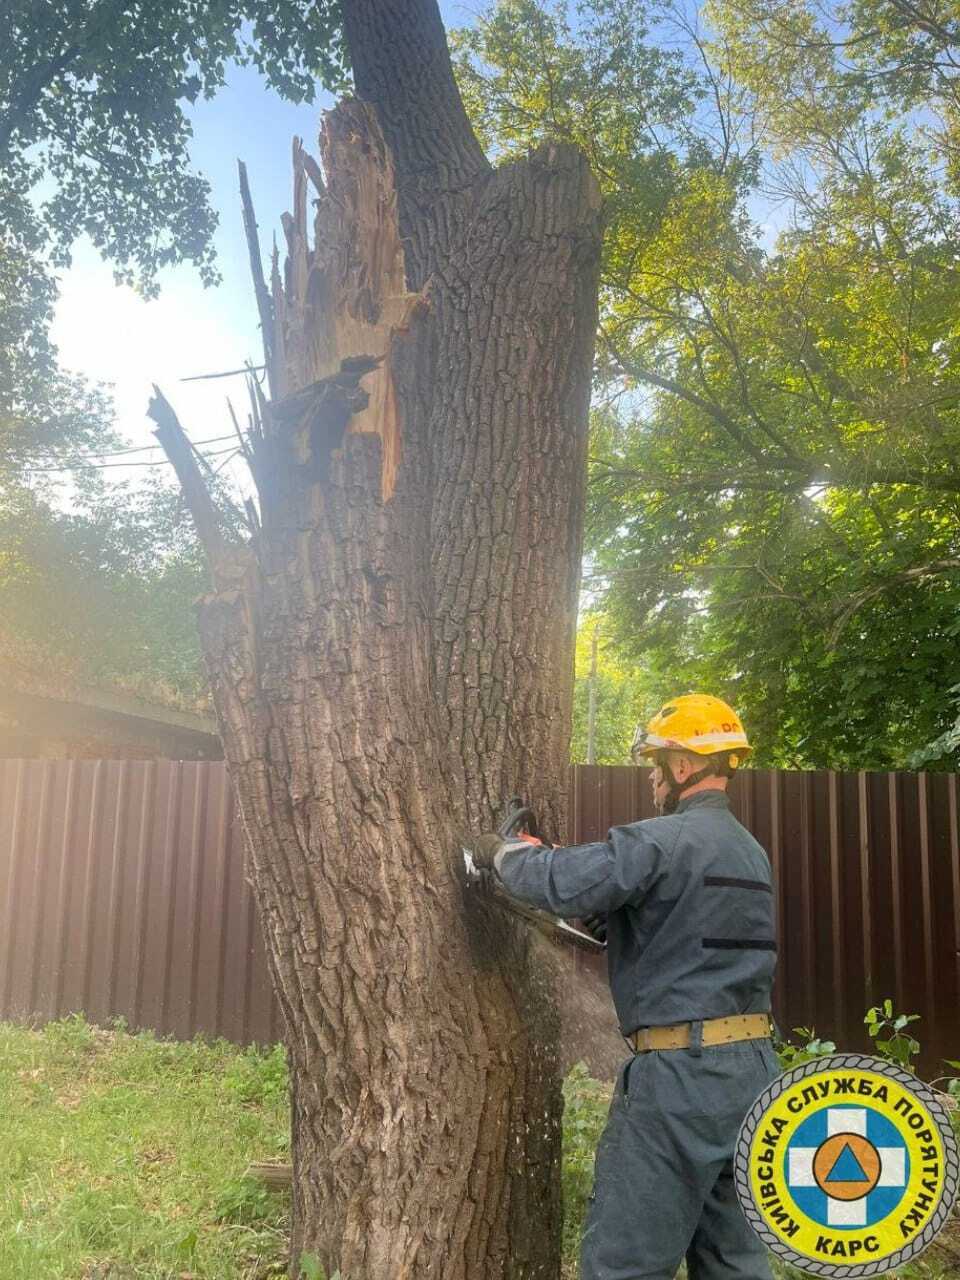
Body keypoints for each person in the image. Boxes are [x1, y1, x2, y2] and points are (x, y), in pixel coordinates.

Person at [470, 694, 779, 1280]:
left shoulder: (662, 840)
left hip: (680, 1079)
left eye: (657, 763)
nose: (651, 778)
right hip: (753, 1075)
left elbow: (558, 881)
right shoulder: (749, 852)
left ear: (683, 765)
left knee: (625, 1263)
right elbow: (682, 929)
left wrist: (501, 853)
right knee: (734, 1260)